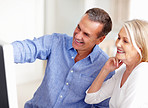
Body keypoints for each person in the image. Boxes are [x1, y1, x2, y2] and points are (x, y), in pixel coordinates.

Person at [12, 8, 115, 108]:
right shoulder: (56, 41)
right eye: (78, 27)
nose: (78, 36)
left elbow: (102, 105)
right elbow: (29, 48)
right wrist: (6, 51)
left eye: (86, 34)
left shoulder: (104, 67)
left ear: (100, 40)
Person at [85, 19, 148, 108]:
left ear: (140, 47)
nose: (118, 44)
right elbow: (91, 98)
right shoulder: (123, 72)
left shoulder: (142, 71)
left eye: (125, 41)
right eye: (119, 38)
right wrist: (105, 70)